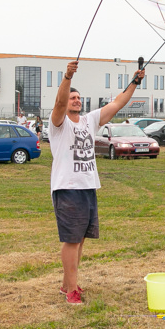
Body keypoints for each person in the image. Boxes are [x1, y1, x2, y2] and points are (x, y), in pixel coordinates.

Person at [49, 60, 145, 305]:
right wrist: (67, 78)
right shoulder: (58, 123)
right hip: (68, 187)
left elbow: (117, 103)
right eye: (72, 98)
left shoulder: (89, 120)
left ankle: (66, 285)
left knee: (79, 240)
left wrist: (134, 82)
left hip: (87, 186)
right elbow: (59, 103)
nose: (76, 100)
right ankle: (72, 291)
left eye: (79, 98)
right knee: (71, 240)